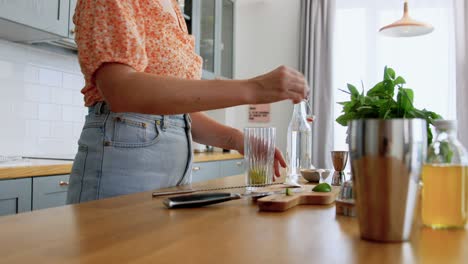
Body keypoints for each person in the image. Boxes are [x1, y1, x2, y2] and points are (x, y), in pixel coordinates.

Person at [66, 0, 309, 204]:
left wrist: (235, 139)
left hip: (175, 177)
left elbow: (173, 115)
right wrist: (254, 88)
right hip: (122, 170)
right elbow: (121, 91)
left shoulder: (171, 6)